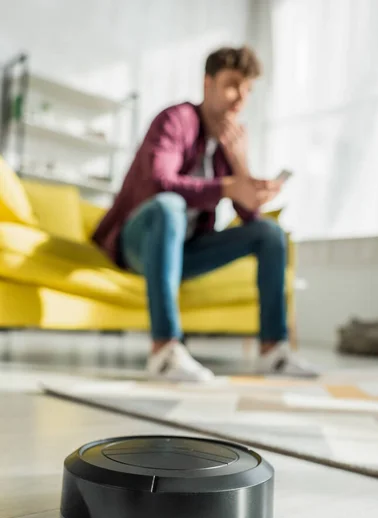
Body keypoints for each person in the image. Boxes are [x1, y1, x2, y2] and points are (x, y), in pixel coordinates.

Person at [93, 46, 317, 381]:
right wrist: (227, 187)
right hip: (139, 242)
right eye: (232, 85)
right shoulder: (175, 119)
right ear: (207, 83)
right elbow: (159, 182)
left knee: (269, 233)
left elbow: (250, 218)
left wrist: (241, 165)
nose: (240, 98)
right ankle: (166, 350)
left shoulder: (230, 141)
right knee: (170, 206)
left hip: (186, 251)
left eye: (247, 90)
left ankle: (274, 352)